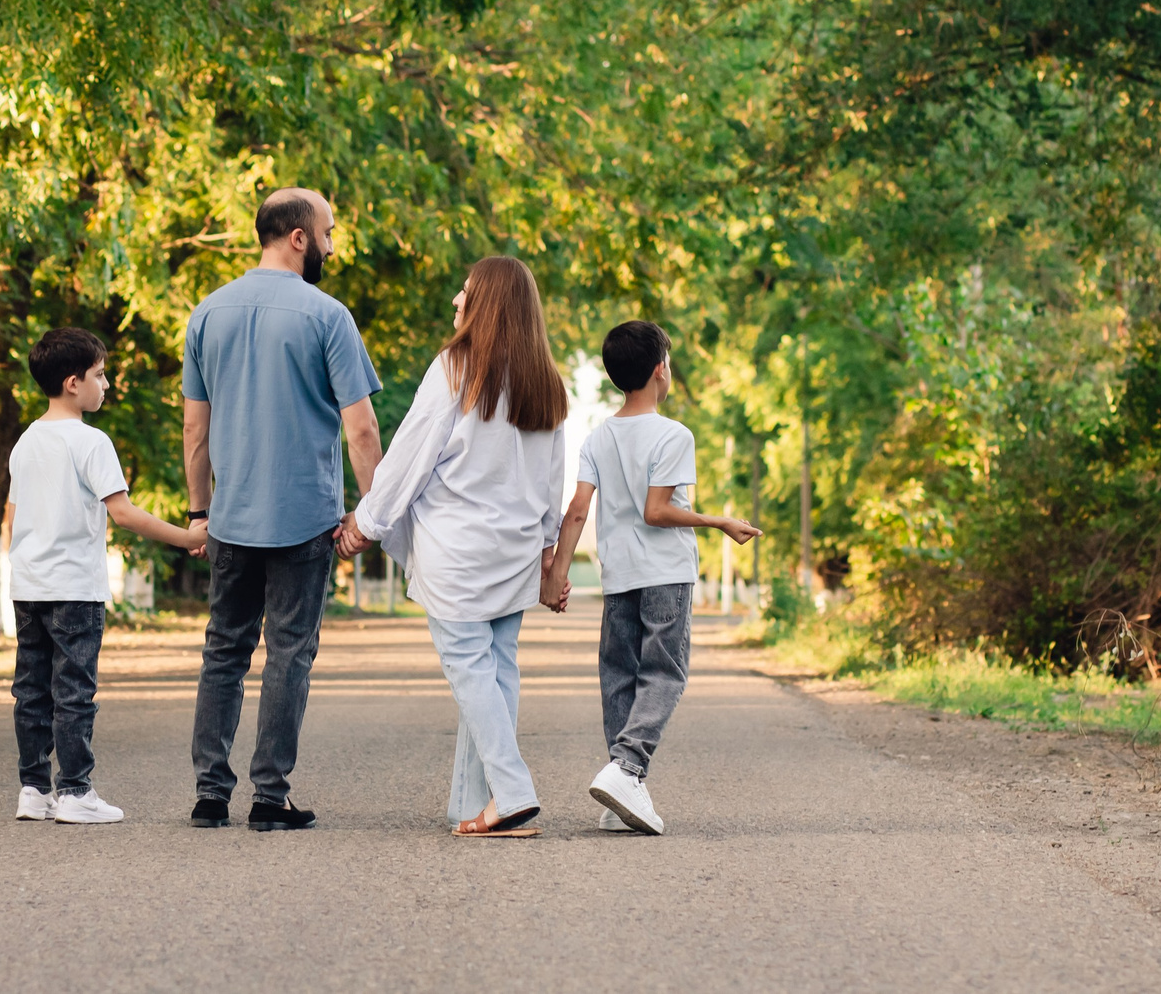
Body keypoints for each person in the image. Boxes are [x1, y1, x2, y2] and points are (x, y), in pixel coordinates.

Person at [340, 256, 569, 838]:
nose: (455, 302)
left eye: (464, 292)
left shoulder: (455, 369)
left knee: (470, 670)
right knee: (497, 671)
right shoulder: (548, 380)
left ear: (487, 303)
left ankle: (513, 792)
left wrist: (367, 522)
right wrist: (547, 551)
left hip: (458, 551)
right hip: (514, 551)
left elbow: (412, 457)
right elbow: (552, 480)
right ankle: (475, 802)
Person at [181, 187, 383, 830]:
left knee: (224, 652)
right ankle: (270, 799)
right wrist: (370, 513)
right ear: (298, 236)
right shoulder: (328, 316)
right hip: (303, 519)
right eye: (327, 232)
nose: (331, 244)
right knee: (289, 653)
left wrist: (198, 512)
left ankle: (211, 796)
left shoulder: (207, 313)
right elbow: (362, 431)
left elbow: (194, 430)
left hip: (232, 517)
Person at [543, 320, 762, 835]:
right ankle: (628, 768)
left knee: (619, 674)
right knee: (664, 674)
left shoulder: (598, 436)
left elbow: (576, 511)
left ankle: (622, 792)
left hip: (619, 576)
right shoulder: (673, 435)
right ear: (660, 369)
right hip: (665, 573)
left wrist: (555, 573)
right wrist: (718, 521)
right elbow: (657, 511)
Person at [9, 327, 207, 825]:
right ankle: (75, 793)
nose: (108, 384)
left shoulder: (25, 441)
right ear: (73, 383)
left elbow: (12, 518)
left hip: (28, 586)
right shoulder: (90, 441)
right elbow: (123, 514)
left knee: (32, 692)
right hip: (75, 588)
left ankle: (33, 791)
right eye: (100, 375)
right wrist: (188, 538)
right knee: (74, 690)